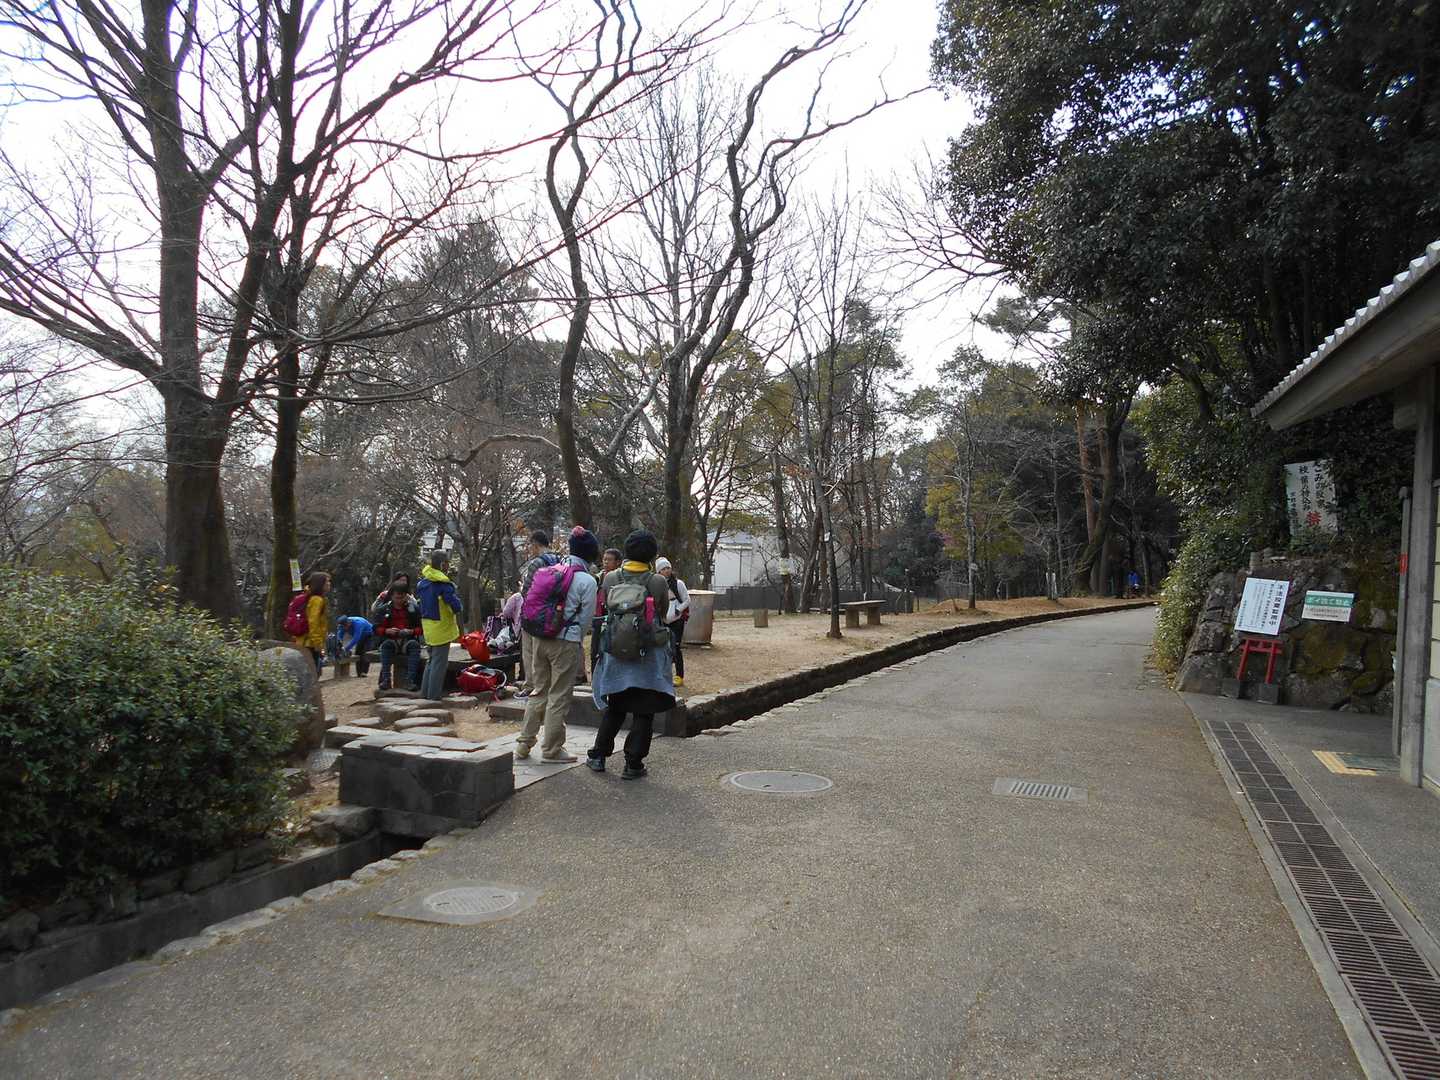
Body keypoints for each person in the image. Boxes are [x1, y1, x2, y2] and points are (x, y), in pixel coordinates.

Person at [587, 530, 675, 780]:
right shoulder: (657, 582)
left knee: (616, 707)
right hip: (647, 654)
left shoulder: (610, 578)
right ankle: (633, 764)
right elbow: (662, 614)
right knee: (644, 710)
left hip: (617, 651)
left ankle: (598, 756)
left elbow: (606, 607)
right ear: (652, 555)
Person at [516, 526, 600, 763]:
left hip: (540, 638)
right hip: (565, 641)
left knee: (538, 690)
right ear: (591, 554)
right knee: (559, 696)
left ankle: (523, 744)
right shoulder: (587, 580)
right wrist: (576, 639)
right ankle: (552, 750)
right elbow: (586, 619)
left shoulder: (551, 569)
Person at [516, 530, 560, 697]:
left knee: (529, 651)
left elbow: (526, 591)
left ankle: (531, 685)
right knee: (547, 651)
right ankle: (546, 684)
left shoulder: (536, 563)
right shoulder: (559, 560)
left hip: (533, 614)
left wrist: (522, 589)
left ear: (535, 544)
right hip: (552, 614)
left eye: (531, 545)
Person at [416, 549, 463, 701]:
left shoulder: (423, 583)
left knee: (431, 661)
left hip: (428, 626)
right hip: (441, 627)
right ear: (443, 564)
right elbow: (454, 605)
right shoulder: (443, 585)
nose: (449, 566)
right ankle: (434, 696)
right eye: (447, 563)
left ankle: (425, 693)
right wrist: (458, 605)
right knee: (439, 663)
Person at [371, 581, 423, 691]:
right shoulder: (383, 609)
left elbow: (421, 629)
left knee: (414, 646)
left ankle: (410, 680)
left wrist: (411, 631)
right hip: (391, 640)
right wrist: (387, 630)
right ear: (391, 596)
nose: (399, 600)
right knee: (386, 646)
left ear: (406, 596)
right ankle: (386, 679)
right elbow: (375, 628)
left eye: (402, 597)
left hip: (408, 640)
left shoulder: (413, 610)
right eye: (397, 598)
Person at [656, 556, 690, 688]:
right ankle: (665, 674)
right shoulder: (657, 584)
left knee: (676, 647)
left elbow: (687, 600)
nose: (666, 571)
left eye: (668, 568)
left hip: (677, 619)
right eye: (663, 569)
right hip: (663, 618)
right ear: (658, 572)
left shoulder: (678, 583)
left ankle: (679, 675)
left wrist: (678, 610)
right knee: (663, 647)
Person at [591, 548, 623, 670]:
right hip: (598, 617)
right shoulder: (598, 577)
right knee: (594, 650)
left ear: (618, 562)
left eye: (609, 560)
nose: (605, 562)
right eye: (604, 559)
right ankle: (595, 675)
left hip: (613, 619)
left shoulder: (621, 578)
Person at [291, 571, 330, 674]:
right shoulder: (317, 600)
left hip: (305, 641)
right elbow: (313, 622)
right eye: (326, 582)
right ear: (320, 584)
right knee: (313, 672)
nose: (329, 584)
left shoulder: (312, 598)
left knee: (313, 672)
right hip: (310, 643)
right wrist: (318, 644)